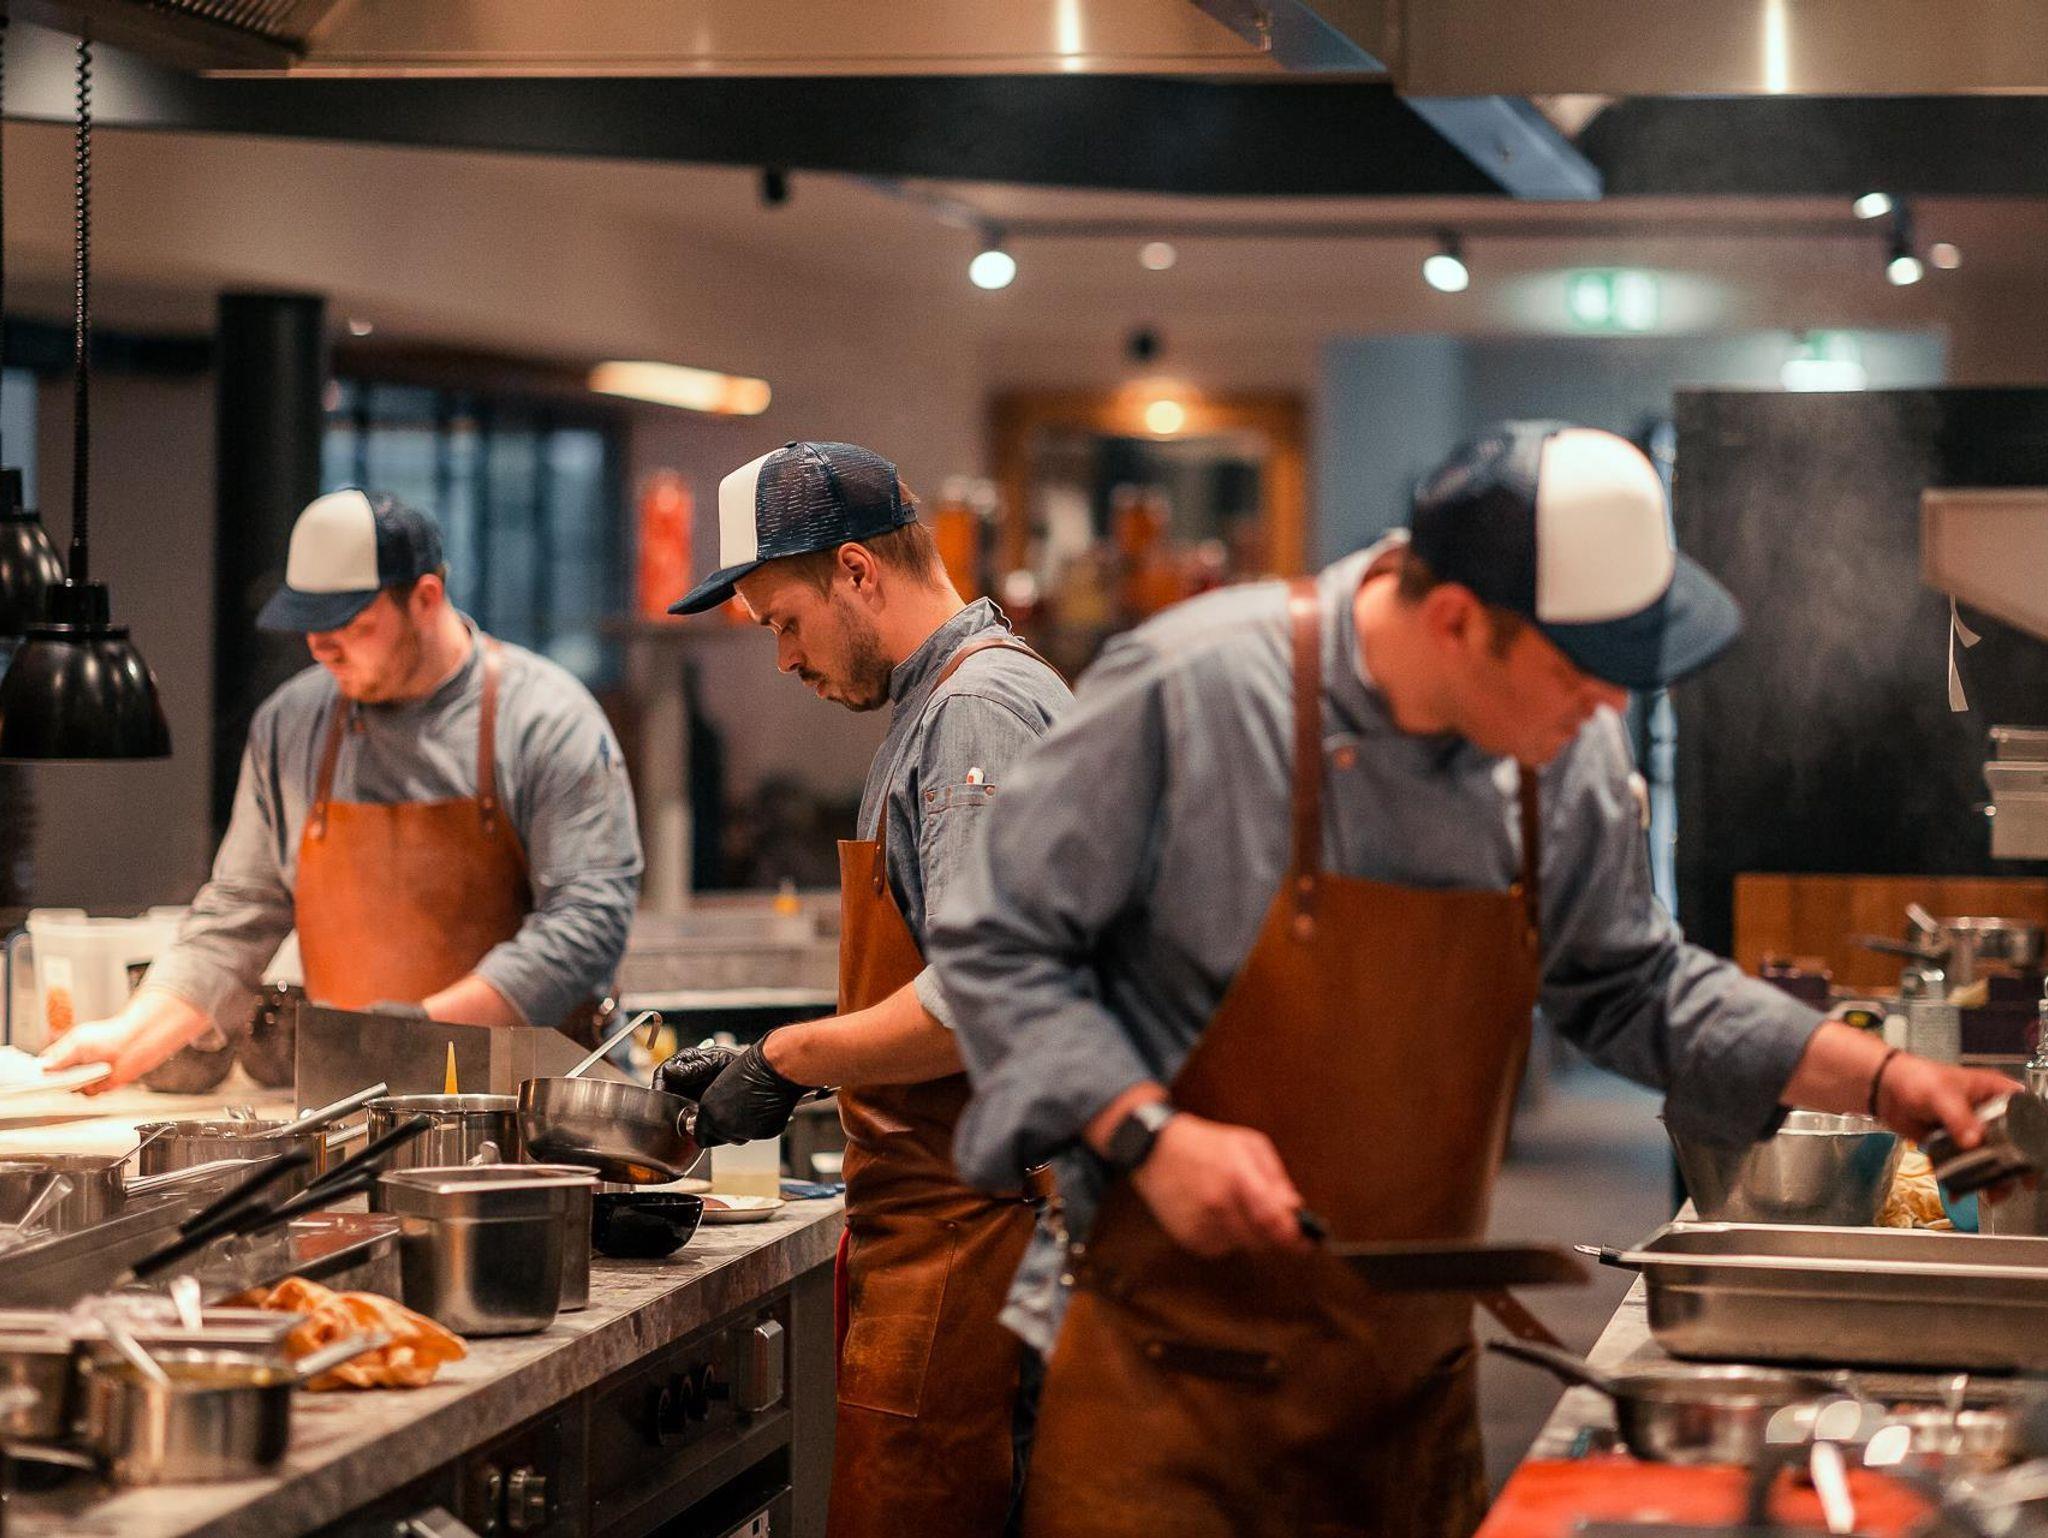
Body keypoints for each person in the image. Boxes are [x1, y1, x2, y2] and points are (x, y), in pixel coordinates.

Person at [930, 422, 2018, 1538]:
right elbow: (994, 940)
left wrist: (1883, 1079)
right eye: (1579, 670)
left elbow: (1634, 983)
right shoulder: (1194, 687)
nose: (1609, 707)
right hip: (1169, 1400)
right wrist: (1143, 1132)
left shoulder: (1562, 751)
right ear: (1455, 620)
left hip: (1407, 1400)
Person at [658, 441, 1070, 1538]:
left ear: (855, 570)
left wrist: (784, 1057)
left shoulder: (975, 712)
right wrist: (777, 1061)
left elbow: (982, 997)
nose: (783, 658)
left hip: (980, 1249)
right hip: (943, 1239)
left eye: (784, 622)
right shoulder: (938, 704)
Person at [43, 488, 642, 1089]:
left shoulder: (546, 721)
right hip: (353, 1097)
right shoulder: (290, 725)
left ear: (425, 598)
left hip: (532, 1105)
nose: (320, 646)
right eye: (309, 624)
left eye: (350, 623)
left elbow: (585, 923)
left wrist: (412, 1035)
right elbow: (239, 915)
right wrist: (127, 1039)